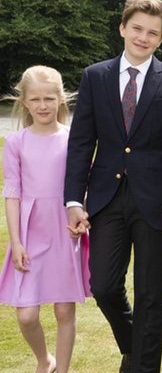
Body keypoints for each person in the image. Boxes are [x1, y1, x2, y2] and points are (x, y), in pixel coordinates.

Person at [64, 0, 162, 373]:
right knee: (104, 285)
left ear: (160, 39)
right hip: (106, 198)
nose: (143, 37)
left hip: (156, 203)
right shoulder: (95, 76)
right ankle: (135, 346)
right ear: (123, 28)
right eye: (137, 28)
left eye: (152, 33)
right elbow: (80, 142)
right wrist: (74, 199)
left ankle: (142, 366)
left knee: (151, 295)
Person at [0, 65, 91, 373]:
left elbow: (84, 183)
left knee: (64, 309)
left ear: (61, 99)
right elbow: (12, 194)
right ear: (24, 102)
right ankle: (45, 360)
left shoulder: (73, 138)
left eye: (49, 99)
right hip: (30, 232)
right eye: (36, 99)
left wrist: (81, 216)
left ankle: (62, 369)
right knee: (26, 315)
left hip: (64, 230)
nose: (43, 106)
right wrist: (16, 241)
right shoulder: (16, 143)